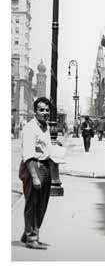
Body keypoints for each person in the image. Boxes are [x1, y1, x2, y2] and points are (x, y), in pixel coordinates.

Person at [19, 97, 53, 249]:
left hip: (44, 166)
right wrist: (34, 177)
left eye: (47, 110)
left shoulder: (44, 127)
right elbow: (28, 155)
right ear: (35, 111)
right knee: (32, 203)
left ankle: (29, 233)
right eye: (41, 110)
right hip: (33, 166)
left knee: (41, 204)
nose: (45, 113)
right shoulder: (30, 128)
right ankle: (32, 238)